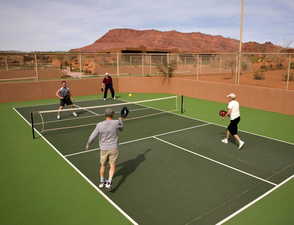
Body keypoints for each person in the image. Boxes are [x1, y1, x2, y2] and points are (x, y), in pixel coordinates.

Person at [85, 108, 123, 190]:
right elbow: (121, 129)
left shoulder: (99, 125)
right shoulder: (116, 122)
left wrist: (88, 144)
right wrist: (121, 120)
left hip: (103, 149)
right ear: (112, 114)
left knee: (103, 165)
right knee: (112, 165)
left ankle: (102, 181)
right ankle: (109, 182)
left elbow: (92, 137)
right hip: (114, 148)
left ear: (105, 115)